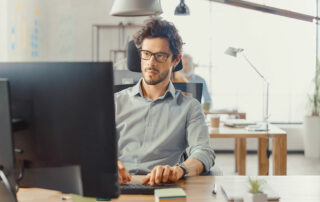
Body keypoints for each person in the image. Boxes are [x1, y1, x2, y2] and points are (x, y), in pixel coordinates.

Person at [115, 18, 215, 186]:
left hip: (162, 186)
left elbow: (203, 151)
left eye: (160, 56)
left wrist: (179, 170)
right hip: (119, 187)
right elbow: (92, 149)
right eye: (146, 54)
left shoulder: (189, 107)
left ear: (175, 60)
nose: (151, 63)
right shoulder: (115, 103)